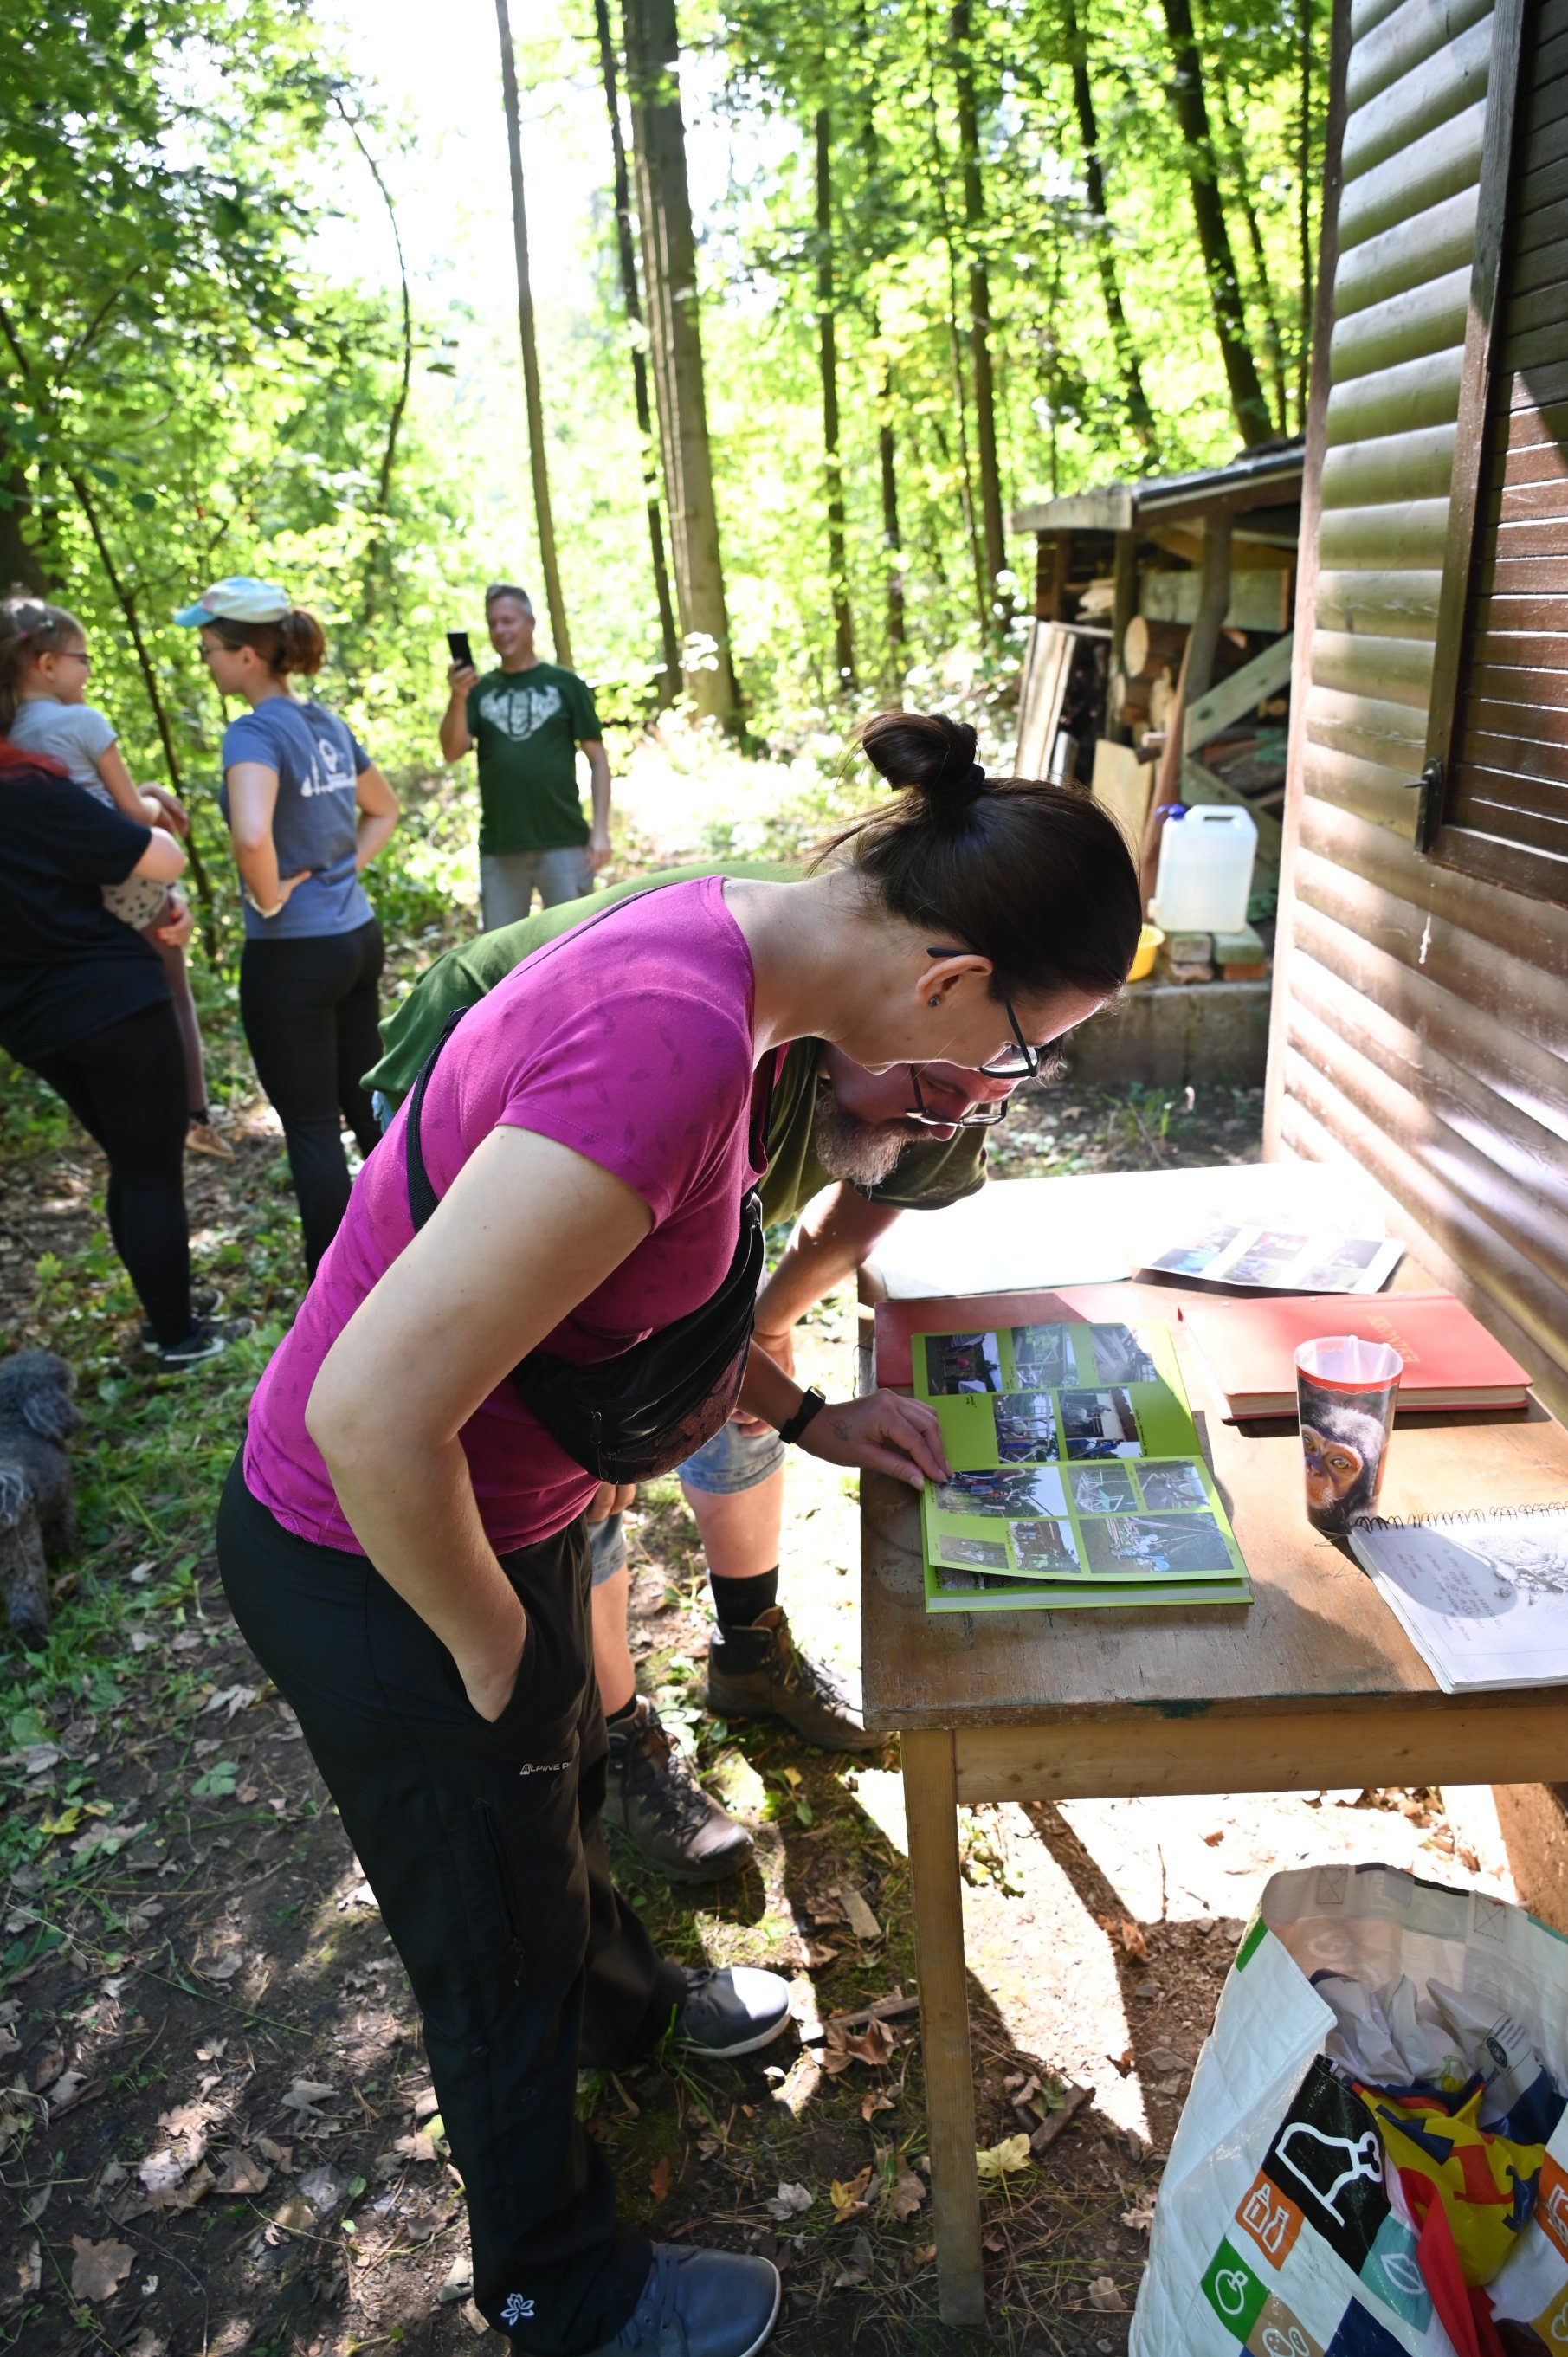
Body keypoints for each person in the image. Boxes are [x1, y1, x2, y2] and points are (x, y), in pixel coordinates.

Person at [214, 709, 1142, 2357]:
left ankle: (634, 2020)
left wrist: (802, 1416)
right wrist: (494, 1649)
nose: (983, 1098)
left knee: (557, 1798)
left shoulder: (746, 958)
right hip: (374, 1555)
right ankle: (560, 2286)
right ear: (946, 978)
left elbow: (646, 1311)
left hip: (488, 1518)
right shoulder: (671, 1043)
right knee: (490, 1919)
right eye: (1008, 1059)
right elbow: (369, 1417)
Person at [366, 860, 1015, 1883]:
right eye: (937, 1091)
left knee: (735, 1372)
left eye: (980, 1102)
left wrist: (774, 1353)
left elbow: (808, 1250)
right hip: (499, 1122)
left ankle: (750, 1648)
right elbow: (569, 1324)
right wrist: (613, 1433)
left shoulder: (959, 1057)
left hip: (662, 1178)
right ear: (901, 996)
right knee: (573, 1461)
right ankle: (619, 1732)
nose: (944, 1120)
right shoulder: (695, 1042)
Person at [0, 643, 250, 1368]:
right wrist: (147, 812)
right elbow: (158, 856)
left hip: (29, 1020)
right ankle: (176, 1337)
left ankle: (166, 1311)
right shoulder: (32, 791)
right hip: (111, 1000)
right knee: (149, 1167)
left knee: (131, 1160)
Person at [173, 577, 400, 1276]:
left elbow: (250, 834)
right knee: (365, 1105)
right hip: (355, 940)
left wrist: (268, 897)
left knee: (310, 1128)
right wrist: (341, 871)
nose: (206, 661)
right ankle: (413, 1243)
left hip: (293, 954)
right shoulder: (324, 722)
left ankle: (336, 1289)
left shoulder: (253, 732)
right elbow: (384, 808)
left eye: (209, 649)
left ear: (245, 655)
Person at [3, 596, 230, 1160]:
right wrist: (154, 797)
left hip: (72, 897)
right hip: (127, 877)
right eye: (82, 660)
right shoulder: (82, 721)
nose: (88, 672)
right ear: (47, 665)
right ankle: (195, 1113)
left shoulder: (11, 737)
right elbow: (131, 815)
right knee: (173, 990)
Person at [438, 581, 611, 928]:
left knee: (575, 943)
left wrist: (601, 831)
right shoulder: (478, 691)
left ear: (530, 623)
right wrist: (458, 696)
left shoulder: (565, 684)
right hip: (501, 846)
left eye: (508, 621)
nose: (500, 630)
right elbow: (452, 750)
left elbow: (597, 758)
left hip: (563, 840)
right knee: (502, 952)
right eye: (493, 623)